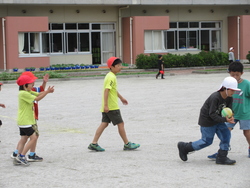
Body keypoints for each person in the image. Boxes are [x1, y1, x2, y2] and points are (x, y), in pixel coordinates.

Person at [177, 76, 240, 165]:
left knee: (226, 135)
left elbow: (229, 109)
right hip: (207, 121)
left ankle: (222, 156)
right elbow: (212, 114)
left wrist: (230, 116)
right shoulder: (215, 97)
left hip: (218, 120)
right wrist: (224, 119)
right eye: (232, 90)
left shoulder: (230, 98)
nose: (234, 92)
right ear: (225, 88)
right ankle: (185, 147)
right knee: (206, 141)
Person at [88, 57, 140, 151]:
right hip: (111, 106)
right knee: (121, 123)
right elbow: (106, 91)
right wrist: (106, 105)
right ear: (111, 67)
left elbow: (113, 90)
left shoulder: (110, 75)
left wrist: (121, 98)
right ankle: (127, 144)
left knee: (104, 123)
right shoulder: (111, 77)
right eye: (118, 65)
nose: (120, 67)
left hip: (108, 105)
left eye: (121, 65)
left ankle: (94, 143)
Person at [208, 61, 250, 159]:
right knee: (225, 131)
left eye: (237, 75)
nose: (235, 77)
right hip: (230, 114)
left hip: (245, 113)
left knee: (247, 133)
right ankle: (222, 151)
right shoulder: (227, 84)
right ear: (229, 73)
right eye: (232, 74)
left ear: (242, 74)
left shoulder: (247, 84)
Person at [13, 75, 54, 166]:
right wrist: (47, 91)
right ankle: (22, 156)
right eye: (31, 84)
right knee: (34, 137)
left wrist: (47, 91)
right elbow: (37, 99)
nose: (33, 85)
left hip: (25, 120)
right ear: (25, 85)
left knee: (24, 139)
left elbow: (39, 94)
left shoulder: (27, 91)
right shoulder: (23, 93)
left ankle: (18, 157)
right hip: (25, 121)